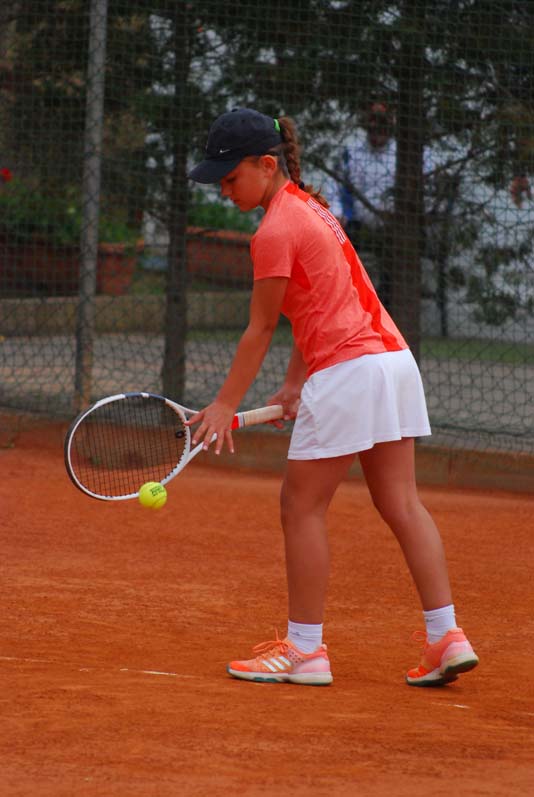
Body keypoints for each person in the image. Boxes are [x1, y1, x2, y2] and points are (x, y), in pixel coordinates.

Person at [188, 107, 479, 687]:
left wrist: (224, 404)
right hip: (392, 363)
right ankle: (447, 636)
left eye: (230, 177)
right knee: (402, 503)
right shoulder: (313, 210)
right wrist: (295, 384)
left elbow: (261, 327)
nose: (223, 189)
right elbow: (320, 301)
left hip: (348, 372)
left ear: (266, 165)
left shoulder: (273, 231)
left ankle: (304, 650)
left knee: (300, 507)